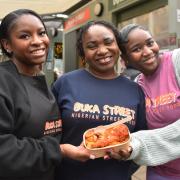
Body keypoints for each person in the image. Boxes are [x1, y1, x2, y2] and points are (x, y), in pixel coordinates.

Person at [0, 9, 91, 180]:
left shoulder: (41, 80)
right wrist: (59, 150)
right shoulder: (4, 82)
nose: (37, 41)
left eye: (41, 33)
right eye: (25, 36)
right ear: (7, 45)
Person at [52, 20, 147, 180]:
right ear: (83, 53)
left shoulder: (134, 90)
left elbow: (142, 139)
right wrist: (63, 151)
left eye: (108, 42)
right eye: (92, 46)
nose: (102, 50)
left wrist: (128, 153)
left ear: (118, 46)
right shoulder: (65, 83)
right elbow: (46, 134)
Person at [117, 23, 180, 180]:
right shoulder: (138, 86)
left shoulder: (176, 61)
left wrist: (137, 144)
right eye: (136, 49)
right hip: (160, 172)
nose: (147, 52)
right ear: (125, 59)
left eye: (150, 43)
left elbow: (138, 141)